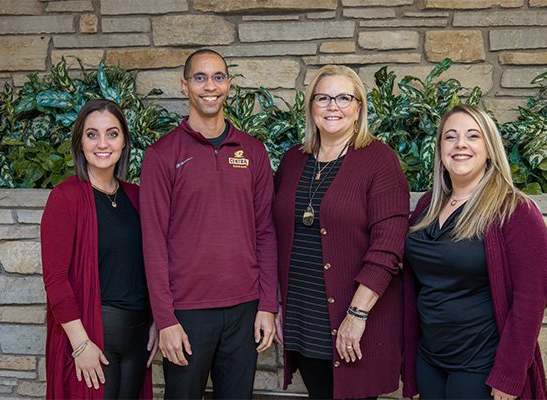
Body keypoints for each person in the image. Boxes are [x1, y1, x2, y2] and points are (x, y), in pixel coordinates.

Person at [139, 49, 278, 399]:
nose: (209, 86)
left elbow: (265, 231)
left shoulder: (253, 151)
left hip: (244, 308)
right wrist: (166, 319)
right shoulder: (161, 155)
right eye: (200, 78)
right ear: (184, 85)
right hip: (187, 311)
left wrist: (267, 305)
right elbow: (153, 241)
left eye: (218, 77)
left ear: (229, 84)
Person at [272, 65, 410, 399]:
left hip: (354, 319)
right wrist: (277, 303)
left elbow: (388, 246)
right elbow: (276, 235)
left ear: (359, 107)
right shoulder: (293, 160)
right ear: (311, 107)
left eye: (343, 97)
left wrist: (357, 314)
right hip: (304, 317)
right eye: (323, 98)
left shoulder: (379, 160)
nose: (333, 106)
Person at [402, 105, 547, 400]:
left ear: (490, 149)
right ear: (440, 149)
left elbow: (530, 301)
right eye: (450, 137)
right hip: (430, 358)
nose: (460, 145)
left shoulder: (515, 211)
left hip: (481, 364)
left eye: (473, 136)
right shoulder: (427, 206)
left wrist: (509, 375)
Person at [41, 99, 158, 399]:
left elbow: (152, 264)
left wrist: (159, 320)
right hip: (92, 338)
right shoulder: (65, 197)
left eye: (112, 133)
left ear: (124, 142)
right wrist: (81, 344)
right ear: (80, 142)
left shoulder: (136, 196)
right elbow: (55, 279)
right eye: (92, 134)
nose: (102, 143)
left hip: (137, 340)